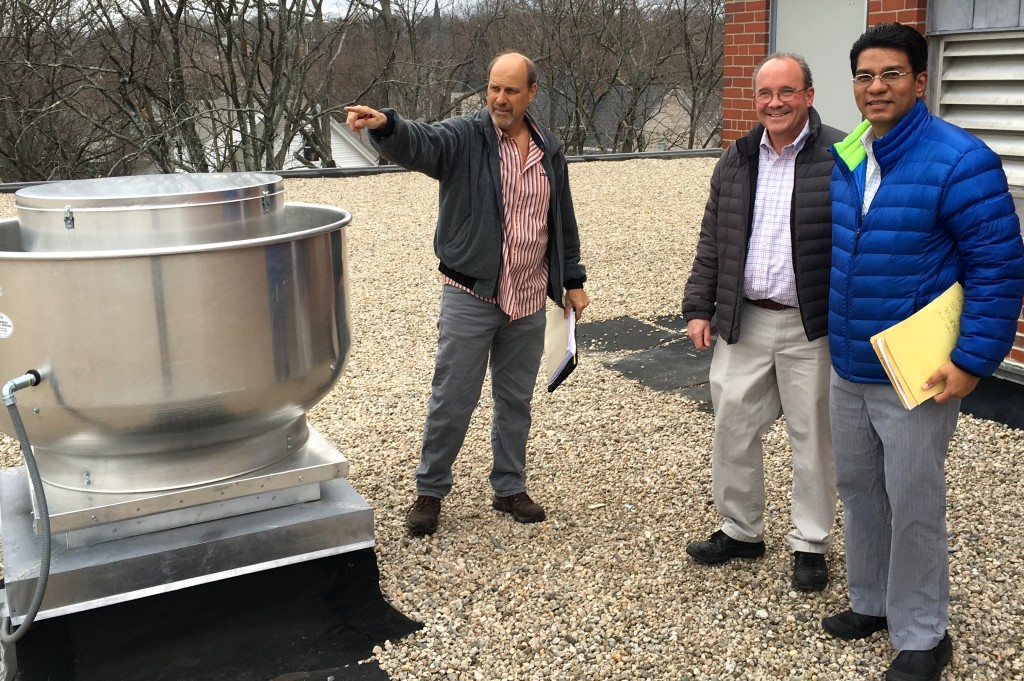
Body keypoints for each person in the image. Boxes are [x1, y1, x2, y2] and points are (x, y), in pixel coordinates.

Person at [823, 23, 1024, 681]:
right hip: (852, 362)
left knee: (913, 497)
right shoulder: (852, 152)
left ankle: (923, 631)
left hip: (919, 369)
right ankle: (874, 601)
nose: (875, 87)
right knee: (857, 487)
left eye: (890, 74)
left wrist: (973, 359)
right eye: (864, 76)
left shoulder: (961, 160)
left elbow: (997, 266)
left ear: (919, 80)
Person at [345, 52, 589, 537]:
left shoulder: (549, 149)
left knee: (515, 399)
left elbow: (561, 217)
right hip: (470, 293)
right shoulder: (464, 137)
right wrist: (387, 124)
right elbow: (422, 142)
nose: (499, 98)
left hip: (526, 297)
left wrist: (573, 279)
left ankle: (509, 486)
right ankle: (430, 492)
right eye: (494, 88)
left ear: (532, 94)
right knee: (453, 398)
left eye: (511, 90)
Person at [681, 53, 842, 592]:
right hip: (744, 319)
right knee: (732, 425)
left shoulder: (841, 154)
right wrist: (698, 306)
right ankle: (742, 529)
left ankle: (810, 541)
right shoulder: (736, 158)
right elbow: (712, 239)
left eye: (787, 91)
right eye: (765, 93)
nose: (775, 102)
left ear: (809, 95)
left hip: (810, 324)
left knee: (813, 435)